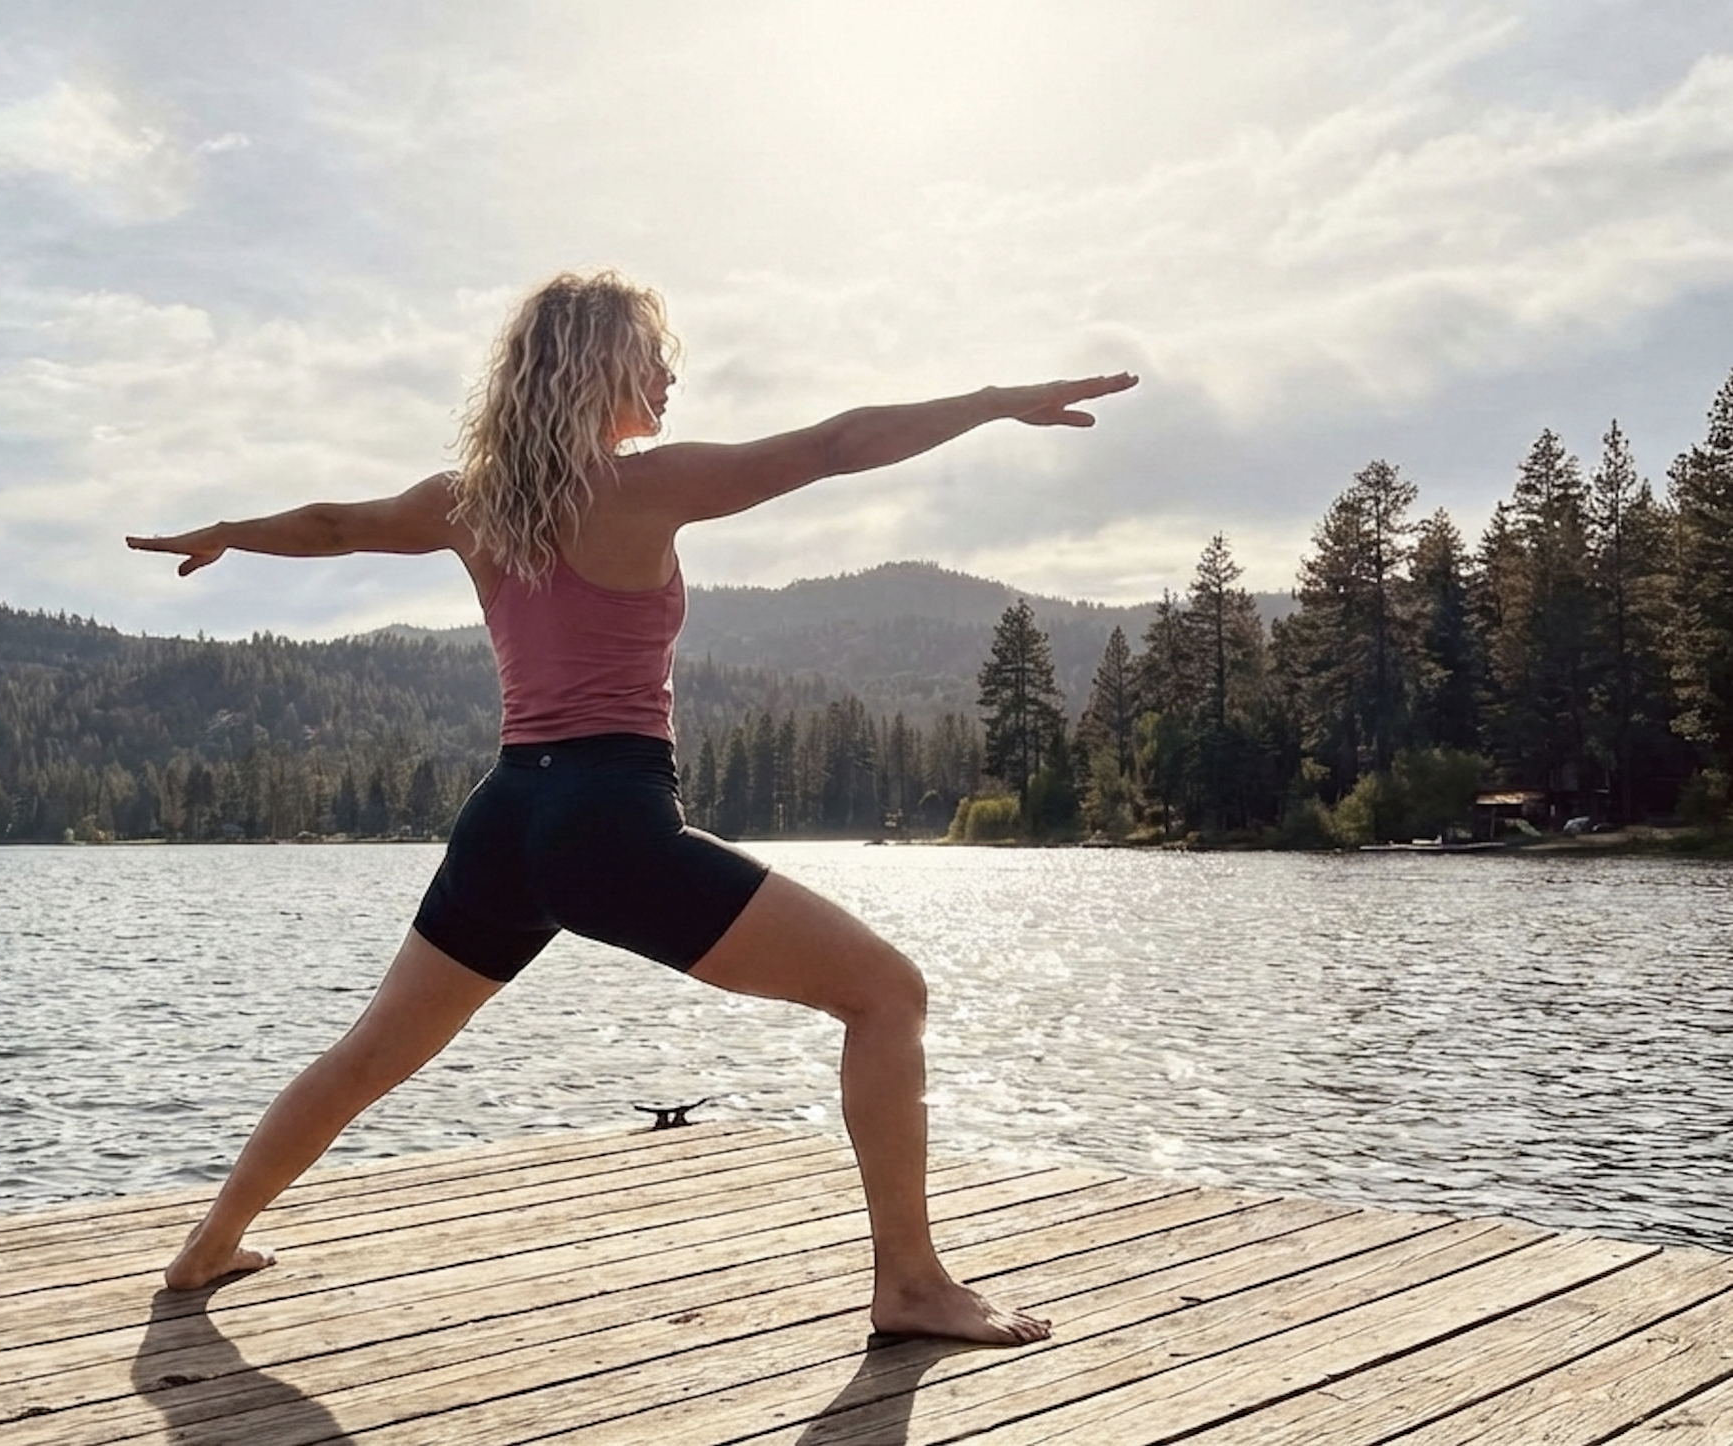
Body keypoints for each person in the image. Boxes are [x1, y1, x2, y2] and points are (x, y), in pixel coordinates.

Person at [127, 270, 1136, 1344]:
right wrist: (991, 402)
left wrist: (229, 530)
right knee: (887, 994)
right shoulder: (645, 486)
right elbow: (835, 444)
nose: (668, 375)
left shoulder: (467, 500)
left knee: (373, 1052)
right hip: (606, 817)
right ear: (596, 364)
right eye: (651, 354)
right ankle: (913, 1285)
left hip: (506, 820)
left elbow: (336, 524)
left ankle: (208, 1245)